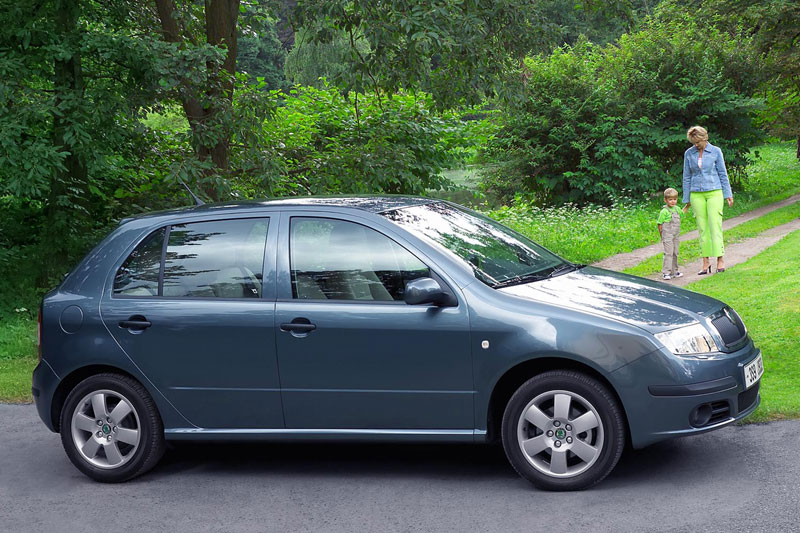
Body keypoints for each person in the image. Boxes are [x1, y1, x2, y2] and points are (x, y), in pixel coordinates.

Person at [682, 125, 734, 274]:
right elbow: (686, 176)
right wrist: (687, 199)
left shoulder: (716, 151)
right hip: (696, 194)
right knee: (702, 227)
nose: (696, 145)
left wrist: (728, 194)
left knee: (714, 225)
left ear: (705, 138)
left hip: (714, 192)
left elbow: (723, 173)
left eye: (698, 142)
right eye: (694, 142)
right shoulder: (688, 154)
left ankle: (720, 260)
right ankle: (705, 262)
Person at [657, 187, 683, 280]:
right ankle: (666, 272)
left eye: (675, 199)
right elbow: (659, 224)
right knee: (669, 253)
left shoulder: (677, 209)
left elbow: (682, 214)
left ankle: (675, 271)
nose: (673, 201)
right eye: (670, 199)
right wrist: (661, 234)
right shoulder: (664, 211)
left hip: (675, 235)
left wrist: (688, 206)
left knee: (675, 252)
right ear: (665, 200)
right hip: (667, 234)